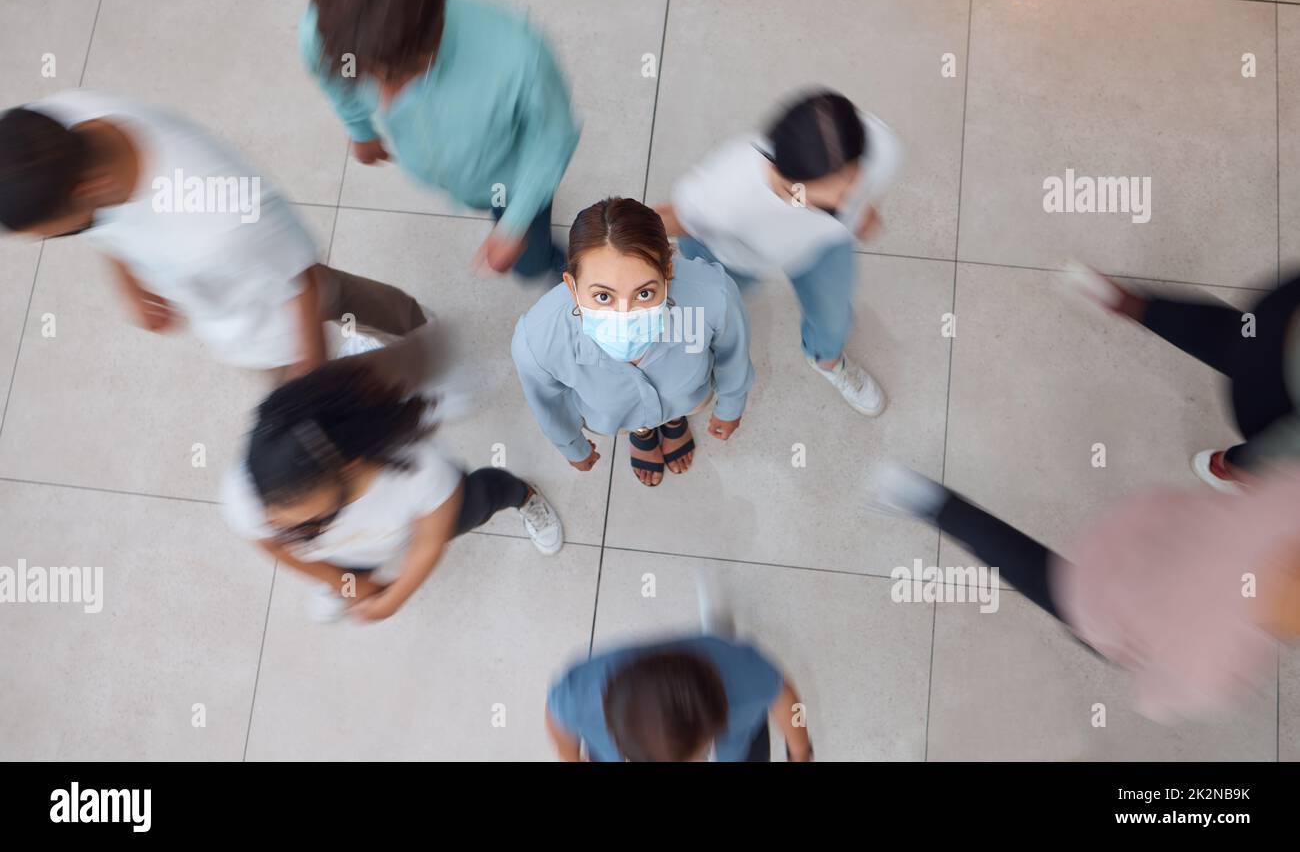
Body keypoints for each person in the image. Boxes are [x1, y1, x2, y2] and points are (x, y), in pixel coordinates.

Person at [0, 93, 426, 379]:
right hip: (229, 305)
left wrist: (309, 379)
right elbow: (94, 222)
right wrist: (127, 277)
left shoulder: (221, 220)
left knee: (343, 297)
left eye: (44, 234)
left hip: (272, 328)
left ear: (85, 190)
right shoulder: (59, 122)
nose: (45, 239)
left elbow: (303, 281)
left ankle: (422, 339)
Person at [872, 461, 1300, 723]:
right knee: (1026, 567)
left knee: (1025, 559)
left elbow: (1254, 482)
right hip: (1099, 603)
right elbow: (1153, 694)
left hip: (1136, 528)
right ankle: (929, 502)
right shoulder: (1219, 670)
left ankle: (921, 496)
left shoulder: (1291, 501)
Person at [221, 323, 563, 623]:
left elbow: (431, 540)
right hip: (358, 548)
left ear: (350, 471)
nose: (295, 536)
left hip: (418, 519)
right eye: (283, 524)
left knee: (484, 498)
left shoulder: (419, 468)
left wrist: (395, 596)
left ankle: (522, 494)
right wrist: (343, 583)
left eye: (311, 523)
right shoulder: (251, 493)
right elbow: (274, 546)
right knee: (345, 574)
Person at [300, 0, 579, 281]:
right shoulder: (326, 31)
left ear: (435, 36)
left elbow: (553, 137)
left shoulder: (521, 58)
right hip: (460, 178)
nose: (387, 106)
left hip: (508, 179)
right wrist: (359, 128)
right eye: (369, 78)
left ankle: (572, 273)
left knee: (529, 263)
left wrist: (516, 223)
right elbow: (333, 80)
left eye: (397, 78)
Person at [655, 89, 902, 416]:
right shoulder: (724, 189)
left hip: (822, 248)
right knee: (704, 320)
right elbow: (665, 220)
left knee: (833, 319)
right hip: (735, 255)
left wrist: (861, 209)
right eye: (824, 202)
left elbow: (861, 194)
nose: (844, 206)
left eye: (849, 191)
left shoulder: (882, 148)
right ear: (779, 169)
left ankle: (828, 361)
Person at [511, 197, 754, 487]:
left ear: (668, 273)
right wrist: (571, 446)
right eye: (603, 296)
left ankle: (675, 420)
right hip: (616, 417)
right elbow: (548, 405)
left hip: (688, 398)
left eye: (644, 293)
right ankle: (640, 432)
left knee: (685, 403)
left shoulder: (714, 295)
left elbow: (732, 357)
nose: (624, 316)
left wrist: (731, 406)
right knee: (631, 423)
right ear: (572, 288)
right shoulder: (536, 342)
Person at [1063, 263, 1300, 492]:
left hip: (1283, 316)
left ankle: (1132, 304)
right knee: (1277, 454)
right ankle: (1225, 466)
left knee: (1241, 338)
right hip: (1272, 406)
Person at [545, 577, 812, 761]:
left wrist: (800, 751)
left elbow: (786, 699)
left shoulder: (747, 674)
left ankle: (717, 633)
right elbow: (556, 719)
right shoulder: (577, 695)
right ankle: (716, 633)